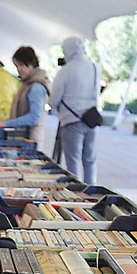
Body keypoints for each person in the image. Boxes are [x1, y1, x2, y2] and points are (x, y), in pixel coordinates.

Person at [49, 35, 101, 184]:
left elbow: (54, 99)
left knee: (73, 162)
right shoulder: (94, 66)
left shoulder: (66, 70)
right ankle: (92, 192)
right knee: (90, 160)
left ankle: (77, 194)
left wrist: (51, 105)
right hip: (91, 120)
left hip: (71, 121)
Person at [0, 45, 52, 150]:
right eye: (16, 66)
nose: (19, 70)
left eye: (21, 65)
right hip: (25, 137)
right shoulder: (27, 83)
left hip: (31, 139)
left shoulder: (36, 86)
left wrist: (6, 123)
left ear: (31, 64)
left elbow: (34, 117)